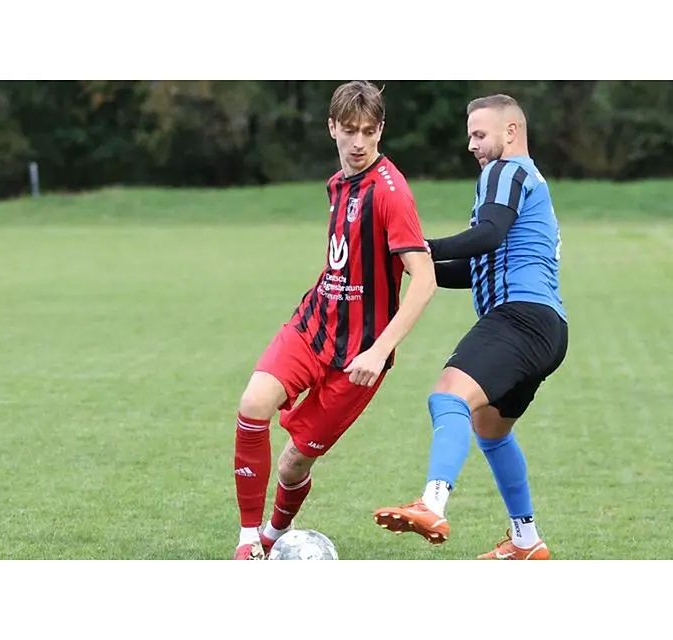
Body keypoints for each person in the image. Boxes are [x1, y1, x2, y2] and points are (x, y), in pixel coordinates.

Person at [232, 80, 436, 559]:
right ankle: (246, 542)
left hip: (360, 356)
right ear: (332, 129)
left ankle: (274, 535)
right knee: (253, 404)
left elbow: (423, 280)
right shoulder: (337, 182)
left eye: (368, 131)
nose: (359, 142)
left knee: (294, 463)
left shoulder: (392, 193)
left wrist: (380, 349)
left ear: (381, 130)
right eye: (349, 130)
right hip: (313, 325)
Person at [373, 94, 568, 560]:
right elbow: (481, 263)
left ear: (511, 132)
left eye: (479, 134)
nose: (472, 145)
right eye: (470, 136)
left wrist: (417, 246)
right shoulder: (527, 181)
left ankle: (432, 502)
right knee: (492, 432)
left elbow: (487, 236)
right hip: (546, 327)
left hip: (519, 319)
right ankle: (525, 540)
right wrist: (417, 268)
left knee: (448, 396)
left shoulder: (506, 172)